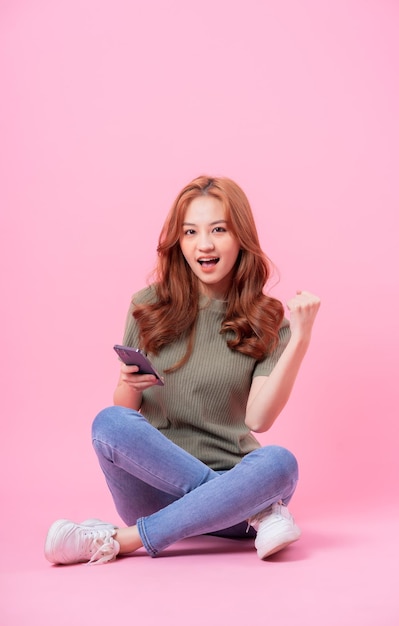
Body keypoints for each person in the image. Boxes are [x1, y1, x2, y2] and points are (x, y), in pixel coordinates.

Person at [44, 175, 320, 565]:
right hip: (164, 493)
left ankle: (119, 541)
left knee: (279, 463)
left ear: (240, 237)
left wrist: (301, 340)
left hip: (237, 492)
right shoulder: (148, 304)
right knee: (109, 421)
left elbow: (259, 419)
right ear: (179, 242)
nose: (203, 244)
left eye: (218, 230)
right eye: (190, 232)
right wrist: (127, 382)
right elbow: (126, 412)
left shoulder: (267, 318)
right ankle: (261, 511)